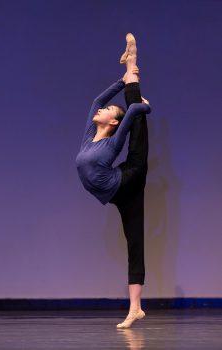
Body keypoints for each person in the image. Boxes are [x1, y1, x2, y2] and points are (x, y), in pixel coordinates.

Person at [75, 33, 151, 328]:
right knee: (135, 244)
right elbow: (97, 99)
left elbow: (131, 113)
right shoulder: (88, 138)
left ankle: (133, 61)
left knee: (139, 134)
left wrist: (145, 107)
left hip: (128, 178)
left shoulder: (110, 146)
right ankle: (136, 308)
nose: (100, 110)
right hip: (119, 193)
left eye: (107, 111)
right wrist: (122, 80)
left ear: (113, 122)